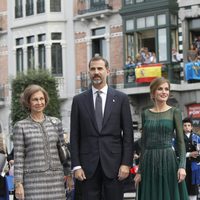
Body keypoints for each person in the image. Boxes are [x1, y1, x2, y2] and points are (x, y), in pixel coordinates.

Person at [70, 56, 133, 200]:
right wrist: (76, 165)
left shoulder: (121, 98)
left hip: (115, 166)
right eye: (92, 69)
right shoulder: (78, 101)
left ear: (108, 71)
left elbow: (128, 135)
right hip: (87, 168)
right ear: (89, 72)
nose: (96, 72)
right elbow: (74, 136)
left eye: (100, 68)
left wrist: (126, 164)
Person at [13, 84, 72, 200]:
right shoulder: (20, 126)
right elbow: (18, 158)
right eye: (35, 99)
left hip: (56, 182)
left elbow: (64, 153)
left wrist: (69, 175)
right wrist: (18, 184)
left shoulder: (56, 123)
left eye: (41, 99)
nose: (39, 102)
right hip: (33, 183)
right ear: (28, 102)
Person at [134, 77, 189, 200]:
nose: (164, 92)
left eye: (166, 89)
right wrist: (139, 171)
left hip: (168, 161)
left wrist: (182, 166)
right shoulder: (145, 113)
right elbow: (144, 144)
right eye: (160, 89)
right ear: (153, 92)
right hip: (149, 162)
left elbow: (180, 142)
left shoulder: (175, 112)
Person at [182, 117, 200, 200]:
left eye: (189, 125)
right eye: (185, 125)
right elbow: (176, 154)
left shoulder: (197, 137)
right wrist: (189, 154)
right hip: (183, 166)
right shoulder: (179, 138)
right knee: (183, 187)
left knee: (193, 188)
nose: (187, 127)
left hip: (194, 167)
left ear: (192, 127)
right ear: (182, 127)